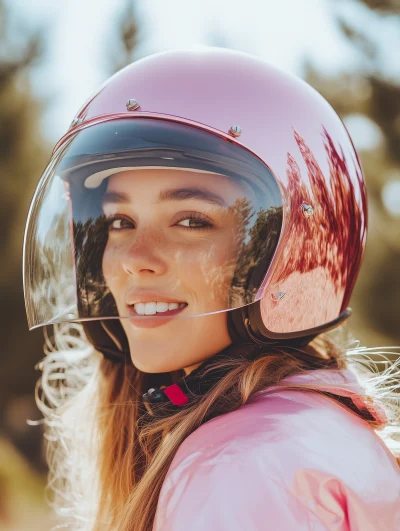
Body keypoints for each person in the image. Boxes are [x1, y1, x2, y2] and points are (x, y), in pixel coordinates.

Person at [23, 47, 400, 531]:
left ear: (288, 248)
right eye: (119, 220)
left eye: (191, 220)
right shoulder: (314, 426)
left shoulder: (243, 464)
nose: (135, 260)